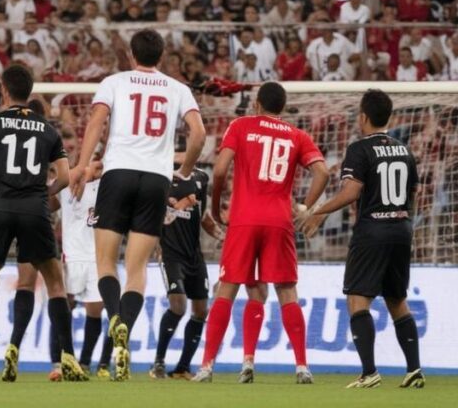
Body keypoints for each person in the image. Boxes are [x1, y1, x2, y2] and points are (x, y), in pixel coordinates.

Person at [70, 29, 206, 381]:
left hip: (118, 173)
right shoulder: (178, 89)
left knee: (105, 262)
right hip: (157, 180)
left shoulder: (114, 82)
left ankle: (115, 317)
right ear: (161, 57)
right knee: (137, 269)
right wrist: (185, 171)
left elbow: (96, 122)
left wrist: (83, 166)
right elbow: (199, 134)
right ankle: (124, 335)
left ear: (131, 55)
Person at [194, 82, 329, 384]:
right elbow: (323, 172)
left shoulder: (241, 126)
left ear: (256, 103)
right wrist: (305, 207)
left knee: (227, 288)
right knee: (285, 291)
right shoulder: (297, 135)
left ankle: (206, 367)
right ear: (282, 107)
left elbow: (219, 170)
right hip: (279, 221)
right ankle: (301, 367)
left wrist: (215, 208)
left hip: (243, 219)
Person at [0, 65, 87, 382]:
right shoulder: (48, 129)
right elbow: (64, 177)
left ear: (4, 90)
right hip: (35, 210)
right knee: (56, 284)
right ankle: (68, 357)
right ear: (30, 92)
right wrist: (41, 194)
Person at [301, 89, 425, 389]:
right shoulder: (405, 150)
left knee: (357, 298)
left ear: (364, 117)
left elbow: (351, 192)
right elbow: (413, 194)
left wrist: (319, 211)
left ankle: (369, 372)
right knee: (397, 299)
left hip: (372, 231)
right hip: (401, 229)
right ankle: (414, 370)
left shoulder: (359, 149)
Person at [149, 162, 218, 380]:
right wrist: (153, 243)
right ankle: (158, 363)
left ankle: (182, 367)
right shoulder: (160, 173)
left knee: (201, 311)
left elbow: (203, 215)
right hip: (170, 254)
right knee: (178, 305)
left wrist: (222, 234)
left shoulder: (201, 178)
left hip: (194, 255)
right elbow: (148, 213)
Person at [50, 153, 113, 379]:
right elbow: (49, 200)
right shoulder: (68, 184)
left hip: (98, 257)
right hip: (72, 256)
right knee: (63, 305)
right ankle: (58, 362)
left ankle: (85, 362)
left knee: (95, 310)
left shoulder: (109, 188)